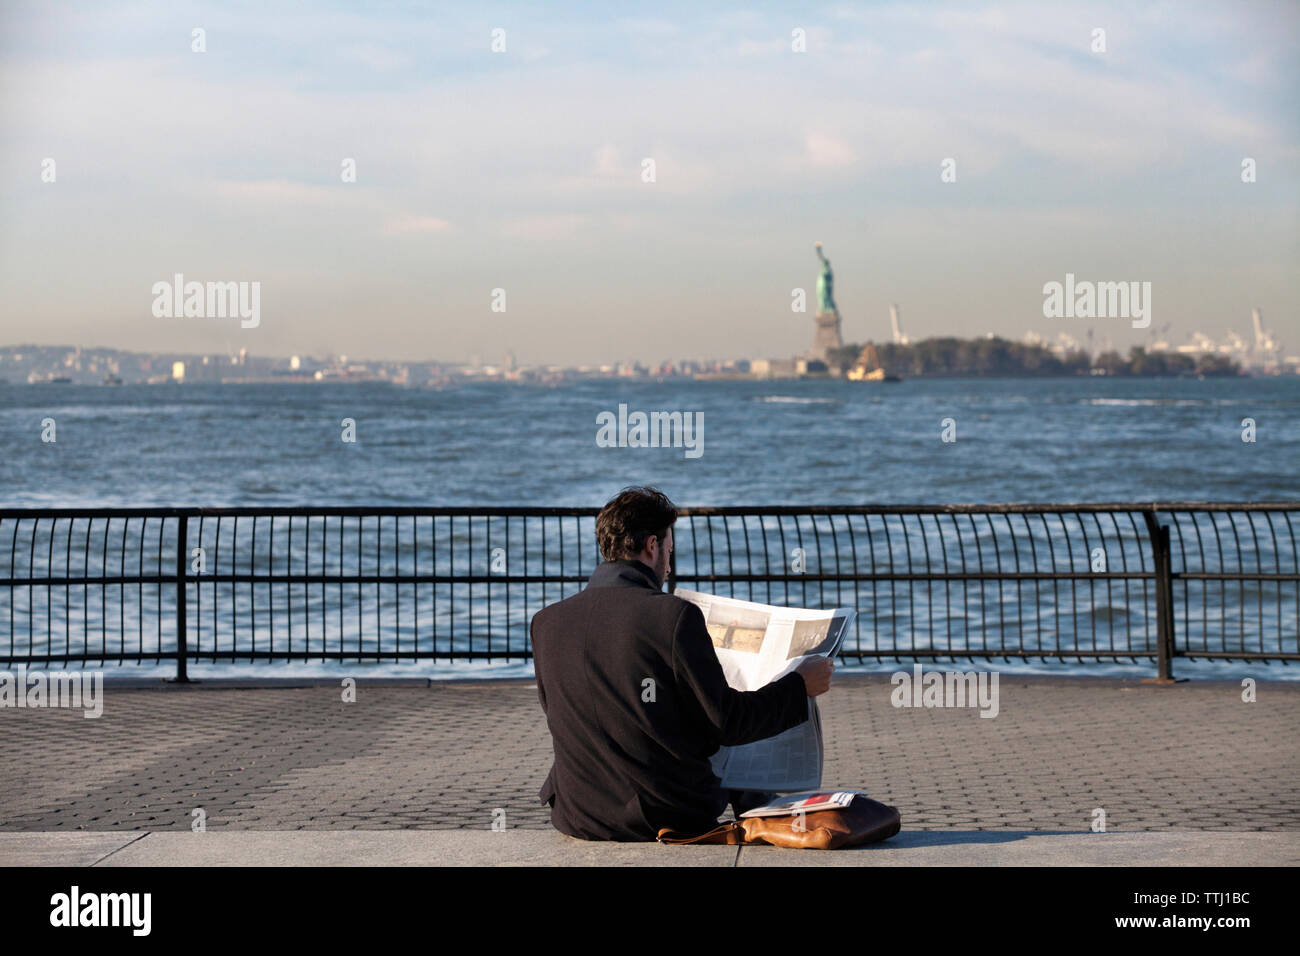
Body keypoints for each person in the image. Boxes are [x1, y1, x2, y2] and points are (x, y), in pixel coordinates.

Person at [531, 486, 834, 841]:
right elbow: (728, 723)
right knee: (739, 749)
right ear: (652, 546)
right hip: (658, 812)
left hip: (578, 813)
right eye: (669, 552)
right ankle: (765, 822)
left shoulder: (547, 621)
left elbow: (565, 712)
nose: (669, 566)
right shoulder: (673, 616)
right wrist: (799, 686)